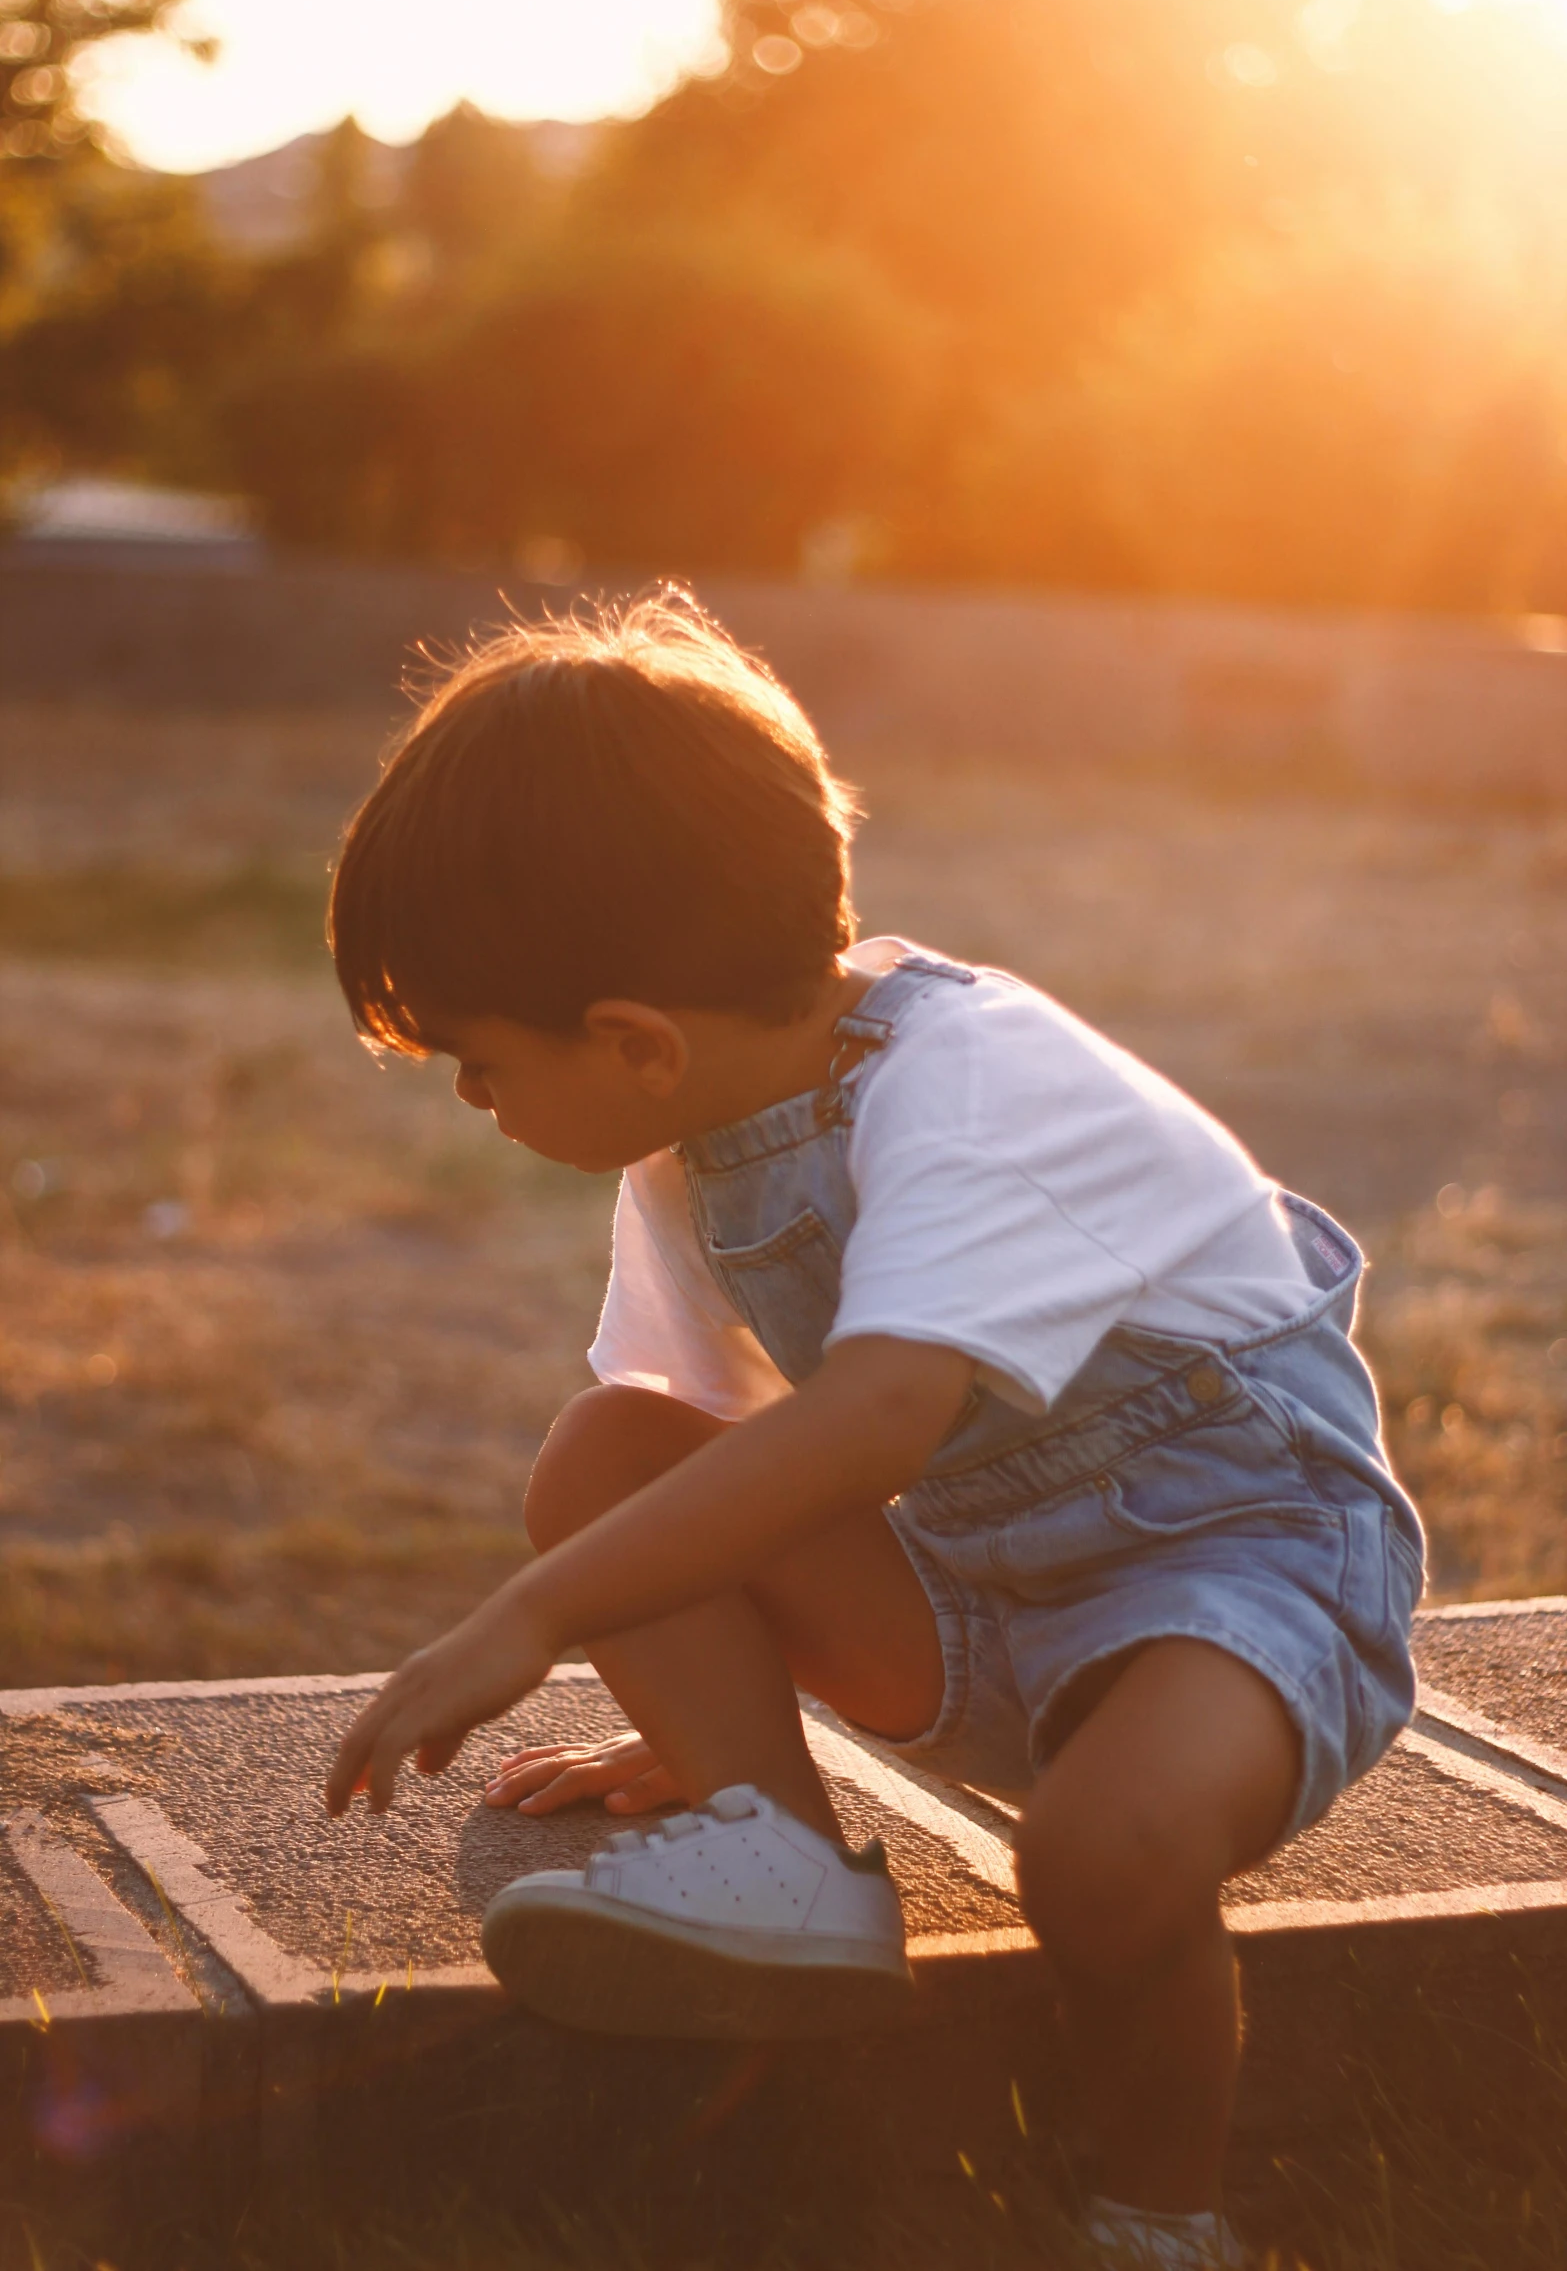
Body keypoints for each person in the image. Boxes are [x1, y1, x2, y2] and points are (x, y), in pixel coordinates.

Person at [323, 594, 1423, 2271]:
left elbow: (876, 1419)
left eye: (480, 1070)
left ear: (633, 1040)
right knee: (602, 1455)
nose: (481, 1109)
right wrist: (714, 1721)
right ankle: (781, 1856)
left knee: (1102, 1856)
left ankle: (1159, 2219)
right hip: (988, 1599)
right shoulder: (700, 1135)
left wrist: (526, 1619)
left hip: (1242, 1582)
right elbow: (703, 1441)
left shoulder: (969, 1083)